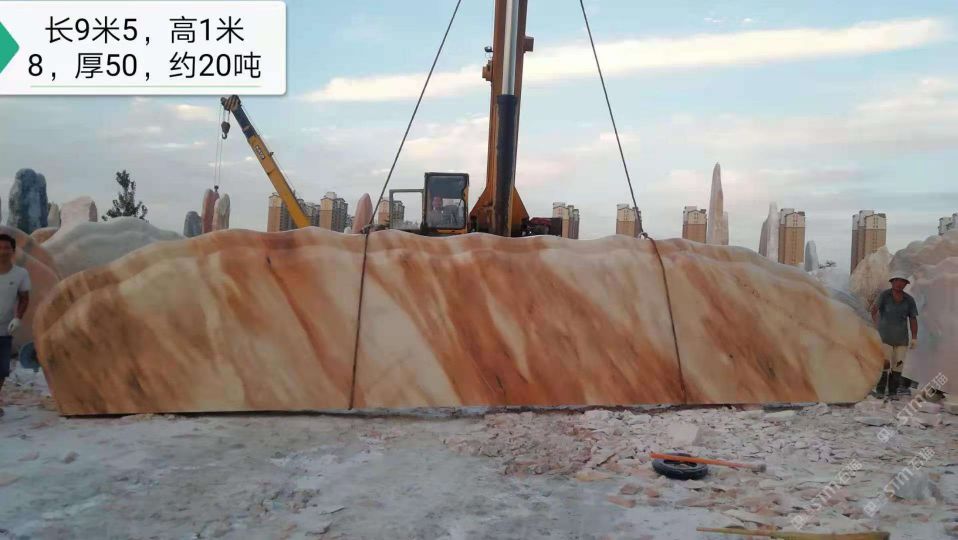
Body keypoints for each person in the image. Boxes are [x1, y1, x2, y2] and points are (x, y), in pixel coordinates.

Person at [870, 273, 918, 398]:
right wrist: (876, 325)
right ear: (892, 282)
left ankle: (893, 392)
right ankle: (880, 390)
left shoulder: (909, 300)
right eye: (897, 281)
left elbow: (913, 319)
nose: (899, 284)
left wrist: (914, 337)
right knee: (884, 364)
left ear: (906, 284)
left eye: (903, 281)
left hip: (901, 339)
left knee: (898, 366)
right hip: (885, 337)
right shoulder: (884, 295)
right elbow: (874, 310)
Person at [0, 233, 30, 417]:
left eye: (6, 248)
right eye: (0, 248)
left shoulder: (20, 274)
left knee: (2, 369)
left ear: (13, 251)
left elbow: (24, 297)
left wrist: (18, 317)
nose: (3, 251)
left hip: (4, 329)